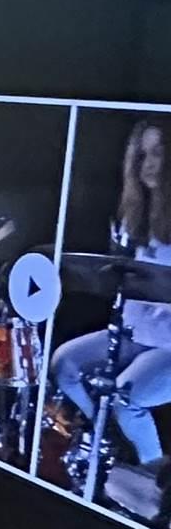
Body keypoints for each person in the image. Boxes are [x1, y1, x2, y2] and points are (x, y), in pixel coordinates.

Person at [53, 119, 171, 503]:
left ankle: (155, 482)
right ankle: (109, 441)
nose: (148, 164)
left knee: (125, 396)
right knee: (64, 366)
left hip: (169, 344)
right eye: (140, 156)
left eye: (157, 154)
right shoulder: (131, 217)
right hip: (135, 334)